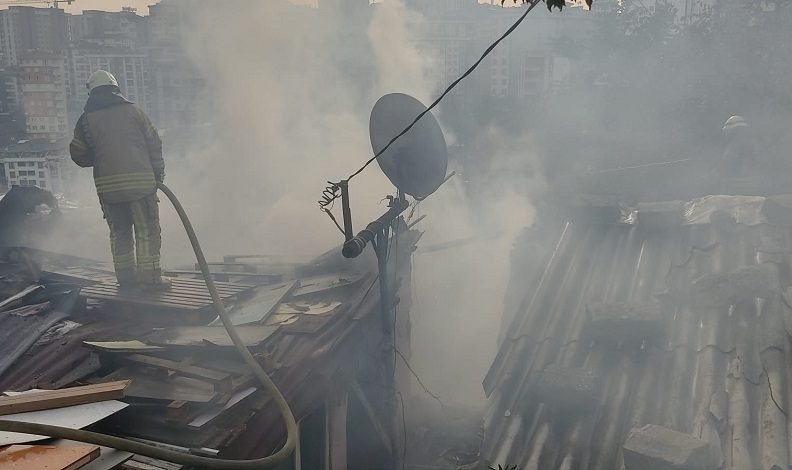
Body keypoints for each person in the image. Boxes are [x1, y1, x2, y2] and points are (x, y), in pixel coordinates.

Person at [70, 70, 170, 290]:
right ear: (115, 88)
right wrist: (158, 175)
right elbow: (154, 144)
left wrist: (100, 155)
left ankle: (126, 279)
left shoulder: (85, 121)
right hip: (141, 189)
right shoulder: (135, 112)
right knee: (146, 233)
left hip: (110, 193)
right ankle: (150, 280)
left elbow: (78, 155)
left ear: (92, 93)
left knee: (120, 234)